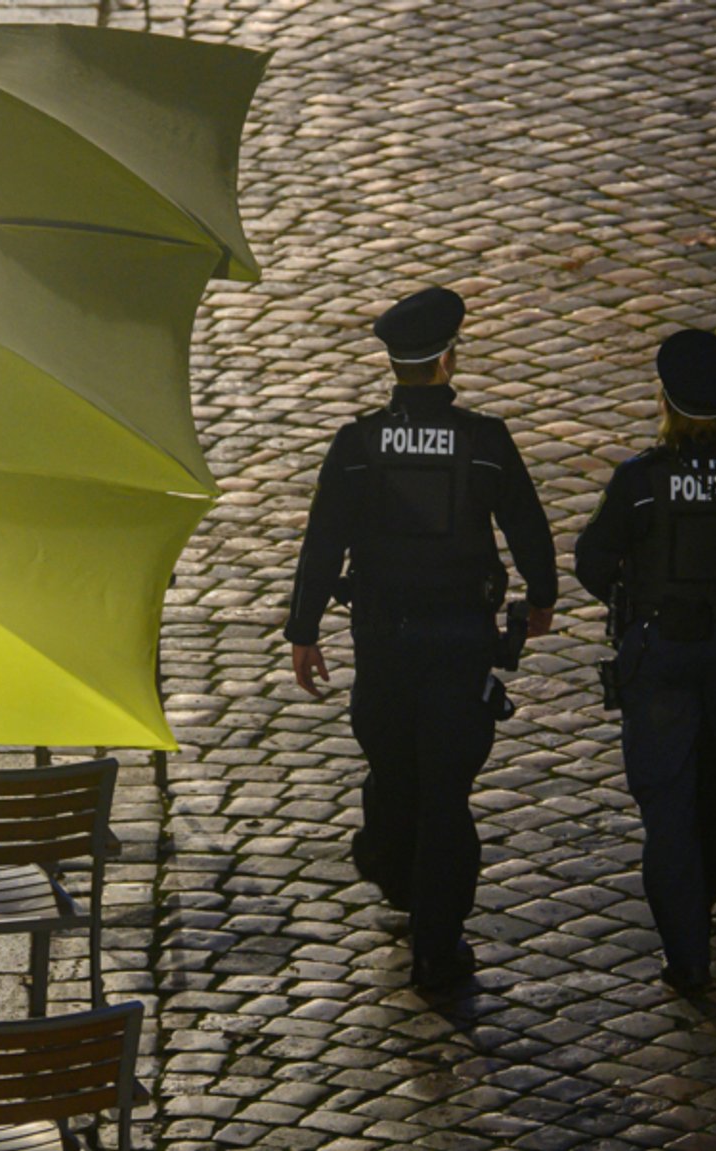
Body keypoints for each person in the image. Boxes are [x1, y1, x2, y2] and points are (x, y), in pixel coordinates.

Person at [286, 286, 557, 992]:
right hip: (462, 643)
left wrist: (304, 628)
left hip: (384, 643)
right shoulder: (485, 441)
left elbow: (323, 542)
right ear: (447, 358)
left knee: (398, 769)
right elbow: (528, 528)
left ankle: (398, 878)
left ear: (396, 364)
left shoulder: (357, 444)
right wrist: (542, 597)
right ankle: (439, 938)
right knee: (446, 790)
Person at [573, 328, 716, 997]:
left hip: (661, 659)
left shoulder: (640, 482)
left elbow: (591, 562)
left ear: (665, 403)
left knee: (668, 807)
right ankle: (702, 896)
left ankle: (687, 955)